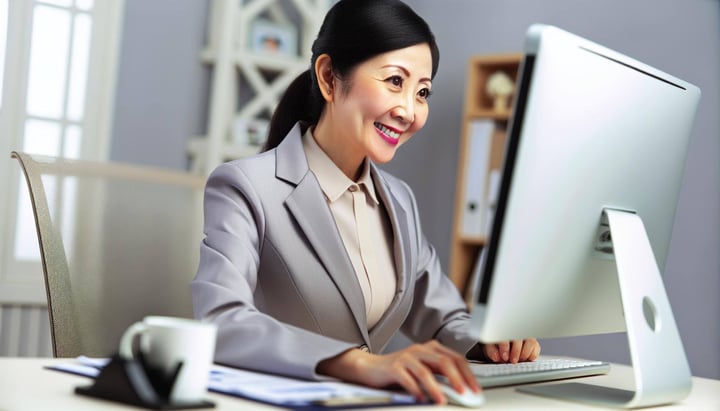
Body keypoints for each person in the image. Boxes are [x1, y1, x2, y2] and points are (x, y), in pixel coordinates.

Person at [191, 0, 540, 404]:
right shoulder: (244, 186)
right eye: (395, 81)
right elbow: (222, 320)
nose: (409, 110)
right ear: (328, 78)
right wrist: (355, 363)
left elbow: (442, 316)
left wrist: (490, 343)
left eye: (422, 92)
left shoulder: (398, 200)